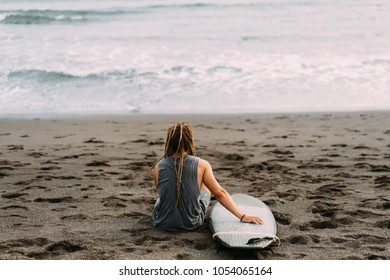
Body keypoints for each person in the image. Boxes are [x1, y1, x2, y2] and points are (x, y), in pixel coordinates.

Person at [152, 122, 264, 232]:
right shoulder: (202, 165)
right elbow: (220, 193)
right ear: (190, 141)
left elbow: (163, 192)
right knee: (205, 183)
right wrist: (242, 216)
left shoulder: (158, 166)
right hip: (191, 223)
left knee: (161, 198)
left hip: (162, 223)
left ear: (169, 142)